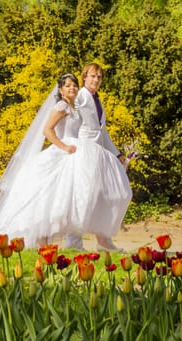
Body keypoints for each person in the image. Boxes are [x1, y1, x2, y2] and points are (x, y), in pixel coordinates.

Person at [0, 72, 132, 250]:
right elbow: (47, 130)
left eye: (74, 85)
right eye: (68, 86)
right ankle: (43, 243)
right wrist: (63, 147)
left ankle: (67, 243)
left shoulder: (74, 108)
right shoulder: (62, 106)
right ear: (61, 90)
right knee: (48, 199)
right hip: (63, 152)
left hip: (75, 153)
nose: (72, 88)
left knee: (64, 200)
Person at [64, 63, 130, 251]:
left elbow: (102, 132)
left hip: (99, 154)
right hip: (84, 153)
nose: (96, 80)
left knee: (114, 194)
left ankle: (103, 240)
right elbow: (66, 113)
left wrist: (117, 153)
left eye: (99, 77)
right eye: (93, 76)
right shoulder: (81, 96)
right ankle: (74, 242)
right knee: (84, 197)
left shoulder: (96, 99)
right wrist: (67, 143)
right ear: (84, 77)